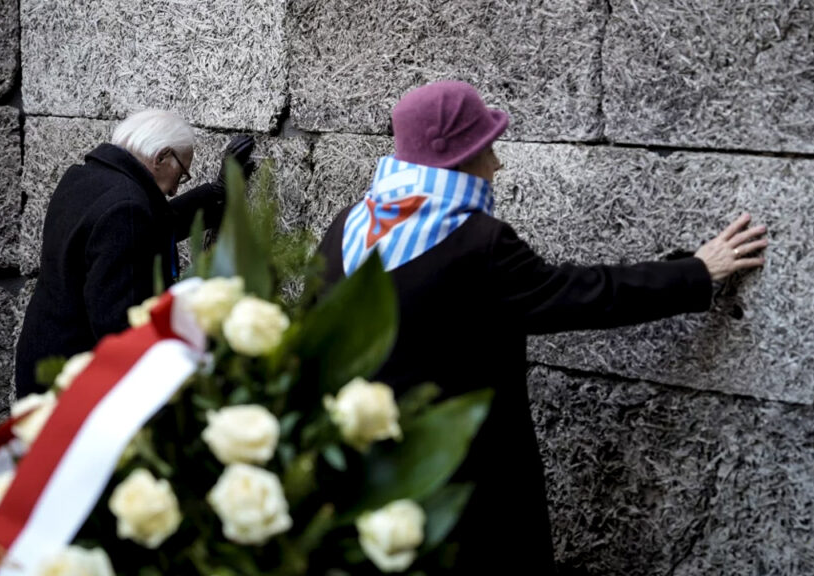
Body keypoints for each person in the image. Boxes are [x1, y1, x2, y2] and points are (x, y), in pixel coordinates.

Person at [314, 81, 767, 573]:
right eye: (488, 148)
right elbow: (578, 295)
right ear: (463, 158)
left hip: (364, 476)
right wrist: (696, 271)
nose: (497, 164)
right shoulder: (477, 243)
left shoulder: (345, 228)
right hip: (465, 485)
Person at [15, 109, 255, 398]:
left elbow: (151, 224)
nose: (176, 188)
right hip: (75, 384)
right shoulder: (126, 209)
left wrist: (218, 192)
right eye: (182, 173)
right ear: (161, 157)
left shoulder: (85, 179)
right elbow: (119, 325)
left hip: (44, 360)